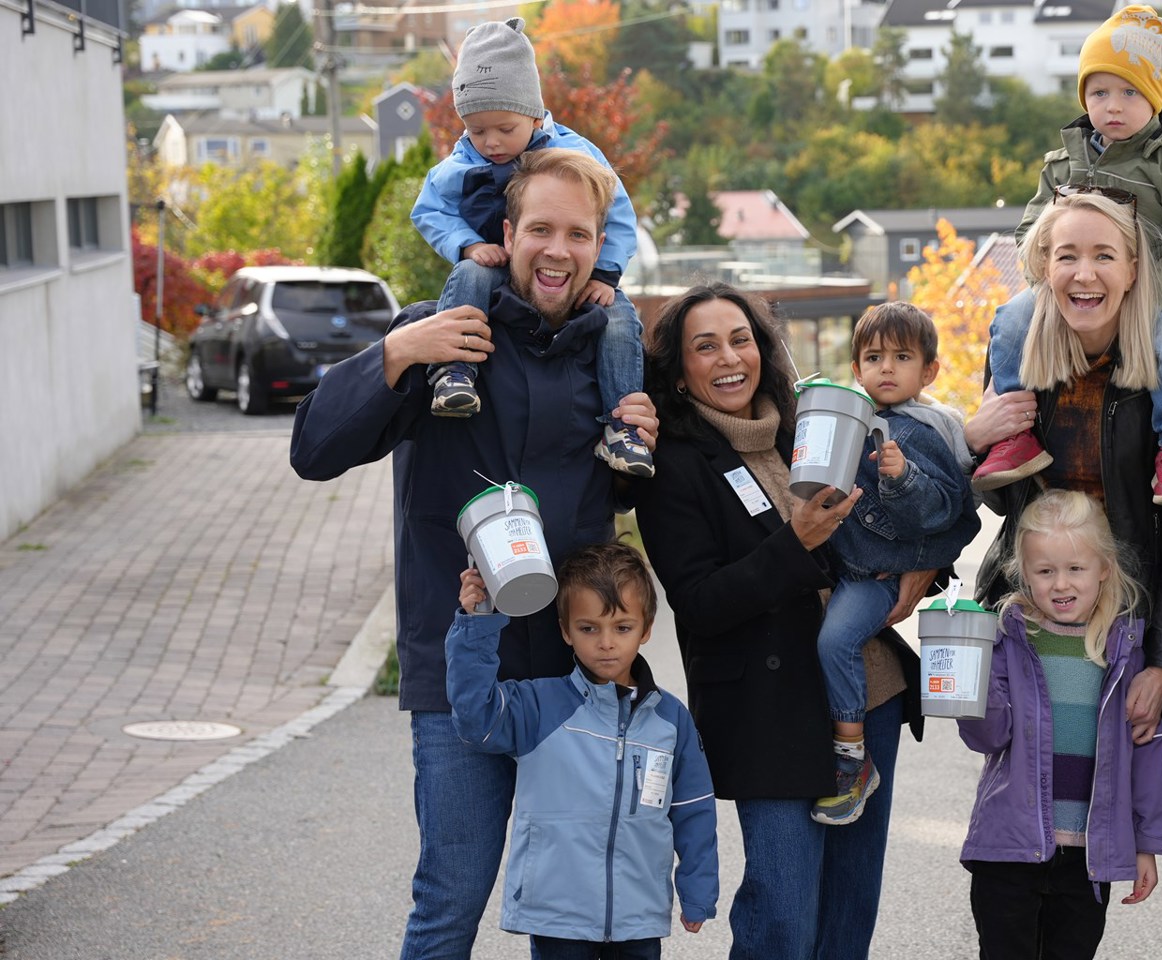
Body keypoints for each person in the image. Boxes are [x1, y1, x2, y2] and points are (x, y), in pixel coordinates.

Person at [290, 147, 661, 960]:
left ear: (602, 246)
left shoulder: (614, 359)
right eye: (540, 229)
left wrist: (642, 448)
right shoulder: (442, 332)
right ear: (505, 232)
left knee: (574, 906)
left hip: (575, 677)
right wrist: (397, 352)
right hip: (463, 669)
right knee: (451, 898)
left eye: (579, 233)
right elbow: (313, 449)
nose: (557, 250)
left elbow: (621, 507)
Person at [964, 192, 1162, 960]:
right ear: (1043, 267)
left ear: (1132, 269)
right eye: (1066, 256)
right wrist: (965, 437)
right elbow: (978, 496)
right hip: (1033, 638)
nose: (1083, 273)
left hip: (1133, 643)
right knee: (1025, 863)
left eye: (1103, 256)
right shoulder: (1021, 361)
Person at [632, 282, 932, 959]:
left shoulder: (812, 425)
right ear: (680, 374)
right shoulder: (674, 467)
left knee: (849, 912)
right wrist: (791, 544)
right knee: (784, 917)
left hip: (869, 691)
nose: (729, 357)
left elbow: (887, 517)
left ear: (763, 349)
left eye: (740, 339)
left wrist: (924, 568)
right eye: (705, 346)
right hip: (770, 712)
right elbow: (701, 603)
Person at [974, 4, 1162, 509]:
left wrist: (1149, 296)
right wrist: (1046, 281)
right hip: (1075, 290)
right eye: (1100, 91)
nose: (1113, 105)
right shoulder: (1064, 163)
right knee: (1012, 319)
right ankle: (1013, 433)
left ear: (1153, 99)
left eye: (1130, 92)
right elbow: (1029, 231)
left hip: (1161, 294)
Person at [446, 542, 718, 959]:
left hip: (638, 915)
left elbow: (694, 807)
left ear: (646, 629)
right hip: (558, 915)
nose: (606, 643)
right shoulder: (538, 706)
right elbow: (475, 719)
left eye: (622, 627)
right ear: (565, 630)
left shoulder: (671, 719)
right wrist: (478, 623)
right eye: (589, 628)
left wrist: (698, 889)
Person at [409, 17, 652, 477]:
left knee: (620, 318)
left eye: (503, 127)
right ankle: (454, 373)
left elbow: (618, 215)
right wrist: (465, 245)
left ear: (535, 115)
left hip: (579, 277)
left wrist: (604, 275)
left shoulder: (577, 155)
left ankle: (623, 428)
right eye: (476, 131)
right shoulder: (462, 162)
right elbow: (428, 210)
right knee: (468, 278)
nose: (491, 143)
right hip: (497, 263)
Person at [958, 489, 1162, 960]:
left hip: (1086, 860)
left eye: (1075, 569)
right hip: (1008, 852)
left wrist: (1146, 843)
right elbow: (987, 737)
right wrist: (966, 680)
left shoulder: (1125, 651)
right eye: (1045, 571)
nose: (1060, 584)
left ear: (1103, 570)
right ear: (1024, 573)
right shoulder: (1005, 639)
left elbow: (1147, 750)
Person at [811, 302, 981, 827]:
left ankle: (851, 760)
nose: (887, 368)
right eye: (874, 356)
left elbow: (945, 510)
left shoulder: (920, 432)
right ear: (857, 370)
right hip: (845, 565)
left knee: (835, 642)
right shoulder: (859, 419)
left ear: (928, 371)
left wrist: (903, 477)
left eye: (902, 357)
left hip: (875, 577)